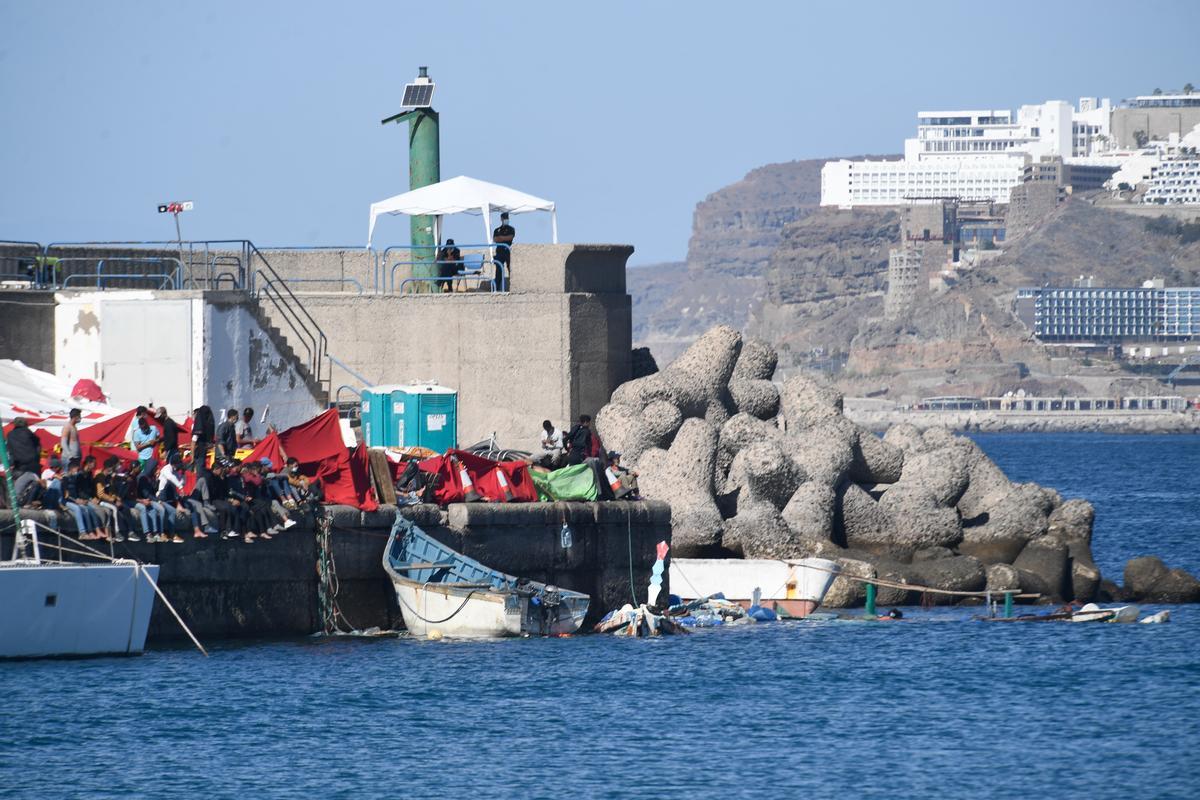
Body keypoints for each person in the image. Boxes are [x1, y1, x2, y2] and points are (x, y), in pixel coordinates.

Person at [5, 418, 43, 507]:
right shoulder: (30, 434)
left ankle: (15, 503)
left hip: (18, 466)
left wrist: (11, 463)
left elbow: (9, 451)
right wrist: (37, 459)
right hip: (32, 465)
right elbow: (38, 447)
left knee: (17, 485)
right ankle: (31, 501)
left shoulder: (10, 435)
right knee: (36, 483)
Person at [492, 212, 515, 291]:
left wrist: (501, 238)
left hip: (508, 252)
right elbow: (495, 239)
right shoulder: (497, 230)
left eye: (507, 218)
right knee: (498, 270)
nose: (506, 220)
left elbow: (510, 237)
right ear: (501, 219)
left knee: (510, 269)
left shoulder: (511, 229)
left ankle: (512, 287)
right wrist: (503, 238)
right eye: (505, 218)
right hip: (499, 252)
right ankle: (497, 288)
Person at [191, 405, 216, 472]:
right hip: (202, 453)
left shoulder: (199, 426)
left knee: (199, 471)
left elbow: (193, 441)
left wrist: (192, 456)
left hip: (199, 453)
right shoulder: (208, 426)